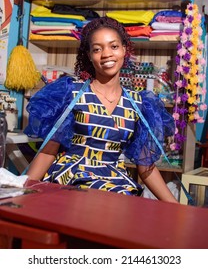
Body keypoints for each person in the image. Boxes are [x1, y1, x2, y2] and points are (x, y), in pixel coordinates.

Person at [24, 16, 178, 203]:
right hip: (73, 178)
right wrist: (24, 190)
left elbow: (146, 167)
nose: (106, 54)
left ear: (124, 50)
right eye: (97, 49)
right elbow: (49, 151)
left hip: (115, 181)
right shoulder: (72, 93)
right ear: (89, 55)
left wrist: (175, 206)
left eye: (113, 46)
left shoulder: (139, 104)